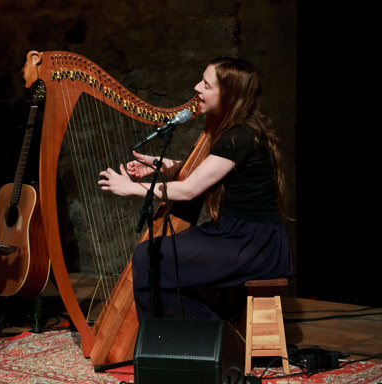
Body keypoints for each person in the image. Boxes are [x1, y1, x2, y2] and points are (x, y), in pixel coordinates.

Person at [98, 57, 292, 321]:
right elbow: (216, 172)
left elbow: (189, 190)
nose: (196, 87)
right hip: (243, 235)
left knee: (149, 257)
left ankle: (199, 340)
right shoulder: (243, 131)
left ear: (229, 95)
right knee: (156, 257)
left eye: (206, 85)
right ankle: (196, 337)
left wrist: (131, 188)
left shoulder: (238, 138)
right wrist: (164, 166)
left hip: (251, 245)